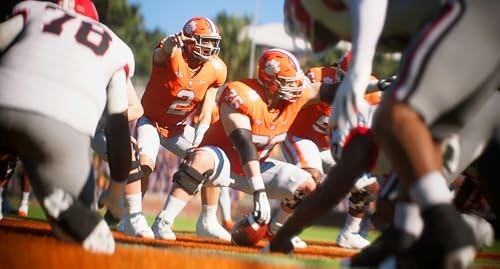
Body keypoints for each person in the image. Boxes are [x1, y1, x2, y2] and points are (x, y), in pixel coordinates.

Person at [276, 0, 500, 267]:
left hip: (471, 23)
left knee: (396, 117)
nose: (373, 219)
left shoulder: (367, 139)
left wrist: (359, 72)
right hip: (480, 81)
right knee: (410, 184)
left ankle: (449, 228)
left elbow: (327, 196)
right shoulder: (397, 152)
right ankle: (408, 239)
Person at [150, 48, 341, 246]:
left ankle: (276, 230)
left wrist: (372, 85)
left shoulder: (298, 95)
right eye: (287, 82)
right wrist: (259, 191)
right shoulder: (240, 95)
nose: (295, 87)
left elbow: (333, 90)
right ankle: (163, 221)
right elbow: (244, 144)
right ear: (270, 81)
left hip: (258, 166)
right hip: (224, 164)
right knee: (200, 158)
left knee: (308, 184)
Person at [0, 0, 134, 254]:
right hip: (61, 126)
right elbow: (119, 124)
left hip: (5, 95)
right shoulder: (116, 46)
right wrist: (116, 193)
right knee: (82, 233)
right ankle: (69, 209)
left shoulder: (37, 9)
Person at [120, 16, 228, 238]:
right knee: (146, 164)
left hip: (178, 129)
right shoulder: (172, 53)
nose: (209, 46)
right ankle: (130, 218)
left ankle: (207, 220)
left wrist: (201, 135)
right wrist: (170, 43)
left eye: (211, 41)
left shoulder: (216, 69)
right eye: (204, 40)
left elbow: (208, 106)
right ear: (188, 40)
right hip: (151, 121)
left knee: (211, 158)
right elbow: (161, 53)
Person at [280, 51, 381, 249]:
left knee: (367, 183)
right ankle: (281, 228)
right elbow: (295, 103)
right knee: (311, 178)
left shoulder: (372, 88)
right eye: (344, 77)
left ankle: (350, 233)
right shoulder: (316, 76)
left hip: (330, 145)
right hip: (301, 136)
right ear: (336, 69)